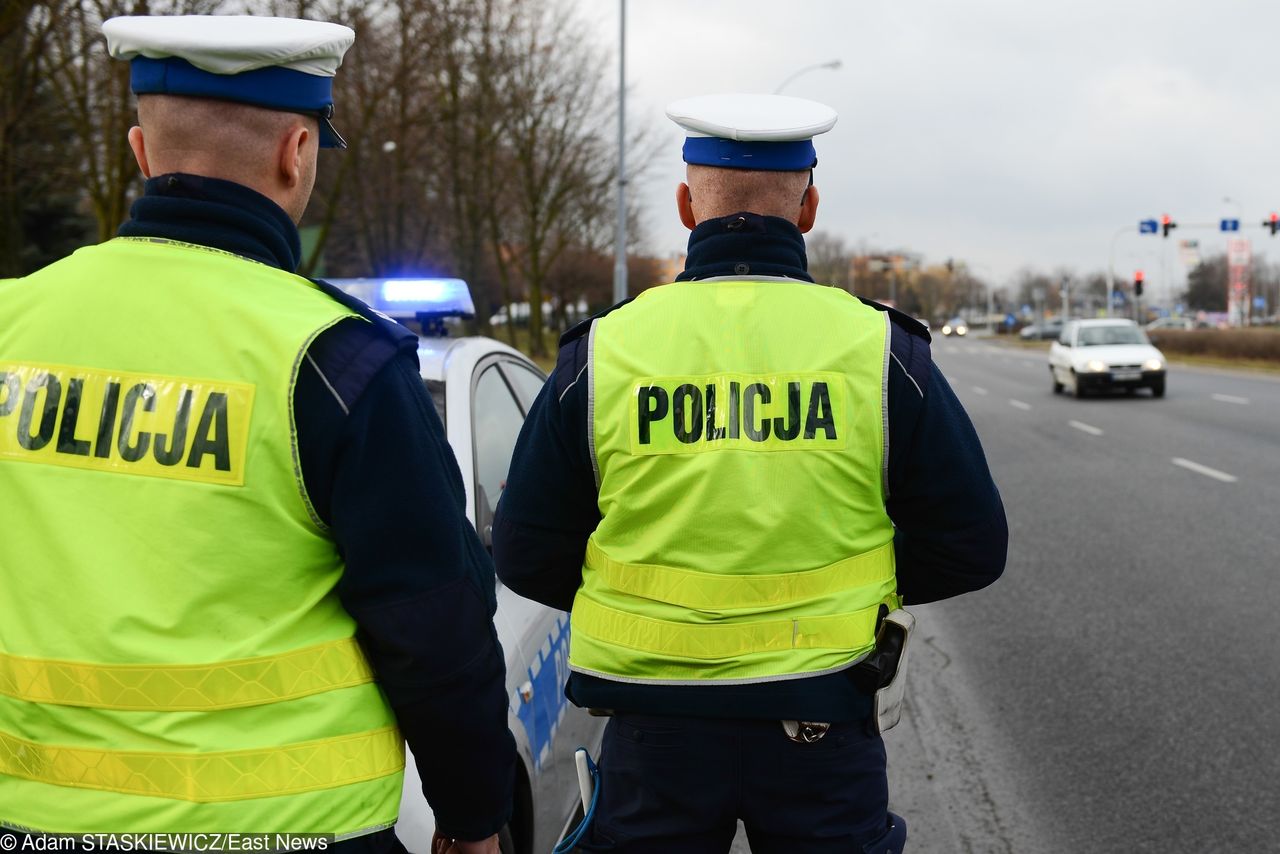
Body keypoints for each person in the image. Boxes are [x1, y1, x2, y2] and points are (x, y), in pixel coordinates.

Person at [0, 15, 512, 854]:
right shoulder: (337, 359)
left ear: (140, 150)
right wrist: (471, 815)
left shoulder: (11, 322)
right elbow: (435, 630)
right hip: (290, 833)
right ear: (296, 153)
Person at [492, 93, 1008, 853]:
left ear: (684, 206)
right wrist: (855, 592)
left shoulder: (602, 355)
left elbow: (526, 551)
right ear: (808, 209)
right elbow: (971, 544)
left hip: (654, 733)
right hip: (822, 726)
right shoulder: (882, 352)